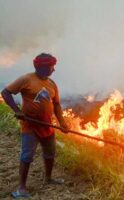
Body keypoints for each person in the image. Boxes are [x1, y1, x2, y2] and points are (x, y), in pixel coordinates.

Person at [1, 53, 69, 198]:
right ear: (42, 67)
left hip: (47, 126)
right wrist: (17, 110)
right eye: (51, 66)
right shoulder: (26, 79)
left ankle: (49, 179)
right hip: (30, 126)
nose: (53, 69)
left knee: (50, 153)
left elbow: (56, 105)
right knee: (27, 156)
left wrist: (62, 122)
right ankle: (21, 188)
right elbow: (6, 92)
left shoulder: (52, 84)